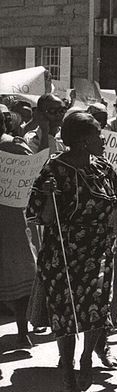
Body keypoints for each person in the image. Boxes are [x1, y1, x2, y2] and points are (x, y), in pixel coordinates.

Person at [26, 112, 117, 392]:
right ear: (83, 140)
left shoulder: (103, 168)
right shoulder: (54, 170)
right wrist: (50, 196)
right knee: (66, 313)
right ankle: (67, 369)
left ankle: (87, 356)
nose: (103, 140)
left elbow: (112, 204)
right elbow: (44, 218)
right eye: (98, 135)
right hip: (63, 252)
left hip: (98, 250)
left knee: (96, 308)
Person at [0, 116, 37, 349]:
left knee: (21, 276)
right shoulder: (14, 145)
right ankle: (22, 332)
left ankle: (23, 331)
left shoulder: (12, 146)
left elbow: (33, 171)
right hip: (12, 222)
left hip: (11, 221)